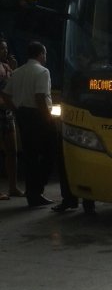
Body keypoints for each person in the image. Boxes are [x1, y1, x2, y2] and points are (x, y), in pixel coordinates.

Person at [1, 41, 56, 207]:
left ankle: (32, 193)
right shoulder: (43, 72)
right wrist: (48, 120)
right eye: (44, 54)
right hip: (38, 116)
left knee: (30, 155)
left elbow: (5, 94)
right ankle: (36, 190)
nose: (45, 57)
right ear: (40, 54)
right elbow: (40, 98)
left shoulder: (17, 72)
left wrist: (16, 110)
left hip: (23, 116)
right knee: (50, 152)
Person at [0, 38, 24, 199]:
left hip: (7, 112)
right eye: (2, 48)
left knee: (12, 151)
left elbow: (11, 87)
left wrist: (13, 70)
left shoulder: (6, 65)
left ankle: (13, 186)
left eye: (6, 48)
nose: (5, 51)